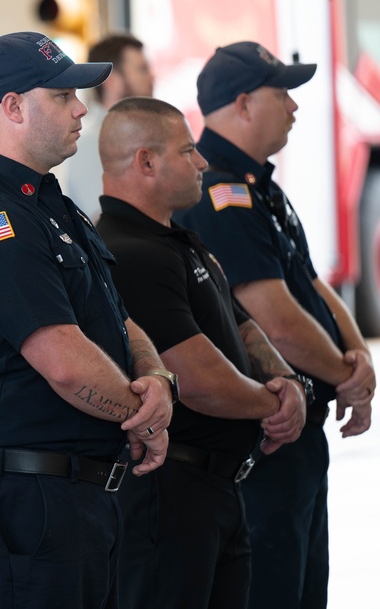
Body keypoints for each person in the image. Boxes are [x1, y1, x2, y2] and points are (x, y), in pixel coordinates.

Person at [0, 31, 174, 609]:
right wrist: (143, 418)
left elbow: (112, 315)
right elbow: (64, 361)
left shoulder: (48, 203)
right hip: (27, 499)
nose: (81, 107)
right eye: (62, 94)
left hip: (74, 492)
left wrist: (158, 378)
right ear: (13, 107)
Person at [173, 41, 376, 609]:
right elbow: (274, 319)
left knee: (306, 588)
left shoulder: (262, 189)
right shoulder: (218, 193)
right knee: (272, 590)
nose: (293, 106)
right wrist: (344, 372)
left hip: (300, 435)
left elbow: (311, 286)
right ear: (242, 103)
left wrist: (358, 364)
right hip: (266, 441)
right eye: (281, 93)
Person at [95, 97, 308, 608]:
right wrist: (276, 402)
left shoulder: (178, 241)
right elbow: (195, 379)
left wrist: (287, 381)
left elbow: (239, 322)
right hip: (170, 497)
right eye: (187, 150)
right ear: (145, 162)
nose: (202, 162)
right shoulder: (130, 253)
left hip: (218, 491)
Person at [63, 33, 154, 218]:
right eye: (142, 69)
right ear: (111, 81)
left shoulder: (143, 134)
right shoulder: (89, 142)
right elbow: (105, 219)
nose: (152, 77)